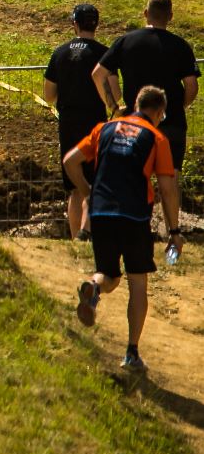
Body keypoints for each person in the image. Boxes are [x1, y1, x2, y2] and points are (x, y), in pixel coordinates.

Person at [68, 85, 183, 374]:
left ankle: (94, 288)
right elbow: (168, 189)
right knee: (137, 283)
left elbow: (70, 161)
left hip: (101, 212)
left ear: (136, 104)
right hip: (134, 215)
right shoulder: (156, 137)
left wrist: (87, 191)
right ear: (159, 112)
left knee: (108, 275)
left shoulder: (104, 128)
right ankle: (132, 353)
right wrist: (174, 231)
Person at [97, 0, 196, 188]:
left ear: (145, 13)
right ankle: (170, 211)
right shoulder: (180, 45)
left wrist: (113, 107)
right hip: (172, 121)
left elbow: (98, 74)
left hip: (135, 122)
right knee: (170, 183)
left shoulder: (125, 41)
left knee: (134, 180)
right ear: (170, 16)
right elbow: (191, 85)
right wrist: (179, 106)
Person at [39, 3, 114, 240]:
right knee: (95, 182)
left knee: (74, 187)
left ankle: (75, 241)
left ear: (75, 24)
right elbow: (115, 93)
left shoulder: (59, 53)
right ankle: (88, 234)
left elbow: (48, 95)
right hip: (95, 124)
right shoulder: (105, 53)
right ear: (96, 24)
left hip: (68, 124)